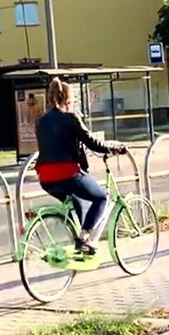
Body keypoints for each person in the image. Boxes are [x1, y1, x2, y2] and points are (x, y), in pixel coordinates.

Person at [34, 77, 126, 256]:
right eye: (73, 101)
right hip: (67, 173)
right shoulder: (70, 118)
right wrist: (114, 149)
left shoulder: (41, 121)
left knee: (75, 201)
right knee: (100, 198)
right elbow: (92, 142)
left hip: (45, 177)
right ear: (68, 102)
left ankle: (79, 241)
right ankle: (84, 238)